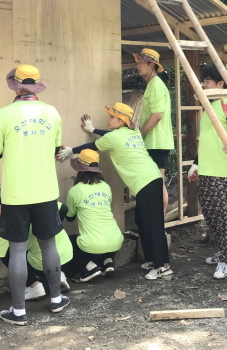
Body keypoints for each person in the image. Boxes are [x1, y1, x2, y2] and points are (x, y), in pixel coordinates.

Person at [0, 64, 68, 326]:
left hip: (15, 194)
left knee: (18, 250)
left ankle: (19, 310)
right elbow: (56, 147)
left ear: (15, 85)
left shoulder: (2, 115)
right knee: (48, 245)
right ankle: (56, 299)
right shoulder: (52, 112)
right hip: (46, 191)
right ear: (37, 85)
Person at [57, 103, 172, 280]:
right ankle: (153, 260)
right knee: (142, 220)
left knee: (152, 225)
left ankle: (162, 266)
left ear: (121, 121)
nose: (109, 119)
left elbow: (93, 145)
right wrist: (93, 128)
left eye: (112, 117)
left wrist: (70, 150)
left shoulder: (116, 137)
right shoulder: (133, 132)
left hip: (145, 183)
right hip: (152, 178)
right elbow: (112, 135)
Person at [0, 189, 72, 312]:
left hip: (41, 264)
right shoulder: (34, 203)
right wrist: (45, 230)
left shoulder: (5, 227)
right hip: (66, 255)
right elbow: (64, 209)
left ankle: (34, 286)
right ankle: (57, 278)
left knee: (9, 253)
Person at [187, 65, 227, 279]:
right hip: (207, 169)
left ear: (220, 84)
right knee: (210, 214)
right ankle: (226, 251)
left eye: (208, 81)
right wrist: (196, 163)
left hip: (223, 170)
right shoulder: (208, 106)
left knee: (223, 214)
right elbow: (207, 140)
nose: (204, 85)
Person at [63, 149, 123, 282]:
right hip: (116, 239)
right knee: (102, 238)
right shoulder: (105, 186)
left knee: (68, 241)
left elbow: (70, 217)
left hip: (92, 244)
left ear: (80, 169)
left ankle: (90, 268)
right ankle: (108, 262)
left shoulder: (75, 190)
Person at [134, 48, 174, 214]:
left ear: (152, 65)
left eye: (141, 62)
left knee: (157, 183)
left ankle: (159, 222)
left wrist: (140, 134)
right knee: (157, 182)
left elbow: (157, 115)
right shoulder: (153, 85)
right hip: (155, 141)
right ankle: (158, 221)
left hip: (156, 142)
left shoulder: (156, 85)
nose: (138, 66)